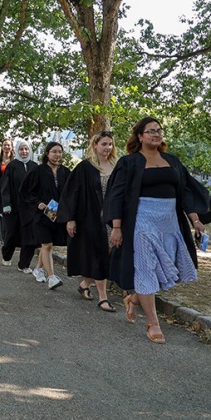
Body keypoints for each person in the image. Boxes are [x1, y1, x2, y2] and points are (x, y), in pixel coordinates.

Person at [105, 117, 211, 344]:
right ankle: (153, 323)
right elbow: (116, 194)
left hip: (169, 222)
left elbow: (185, 191)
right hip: (141, 221)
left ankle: (135, 299)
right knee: (146, 268)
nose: (156, 134)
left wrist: (195, 220)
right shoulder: (129, 162)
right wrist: (116, 227)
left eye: (159, 131)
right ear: (140, 136)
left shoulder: (172, 161)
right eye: (150, 131)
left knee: (167, 269)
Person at [58, 131, 118, 312]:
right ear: (95, 145)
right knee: (100, 255)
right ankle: (103, 298)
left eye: (110, 144)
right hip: (90, 219)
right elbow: (71, 193)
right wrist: (70, 219)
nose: (107, 147)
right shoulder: (85, 167)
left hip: (112, 220)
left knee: (107, 255)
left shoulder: (117, 166)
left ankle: (85, 284)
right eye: (104, 144)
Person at [20, 142, 70, 290]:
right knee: (46, 245)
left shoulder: (65, 172)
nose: (57, 155)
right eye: (54, 152)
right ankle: (52, 277)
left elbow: (71, 192)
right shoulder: (38, 171)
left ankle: (38, 268)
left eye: (60, 152)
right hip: (41, 215)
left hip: (57, 214)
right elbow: (26, 191)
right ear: (47, 153)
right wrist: (37, 203)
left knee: (49, 245)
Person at [0, 139, 39, 274]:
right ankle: (7, 255)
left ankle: (24, 264)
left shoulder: (35, 166)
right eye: (21, 149)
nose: (24, 152)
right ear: (17, 151)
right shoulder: (12, 165)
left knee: (30, 236)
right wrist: (6, 204)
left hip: (31, 208)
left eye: (26, 149)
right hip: (13, 208)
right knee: (12, 234)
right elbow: (5, 186)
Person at [0, 138, 15, 247]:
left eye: (8, 145)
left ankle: (7, 235)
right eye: (5, 145)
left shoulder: (15, 161)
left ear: (11, 147)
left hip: (11, 189)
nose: (6, 147)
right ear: (2, 147)